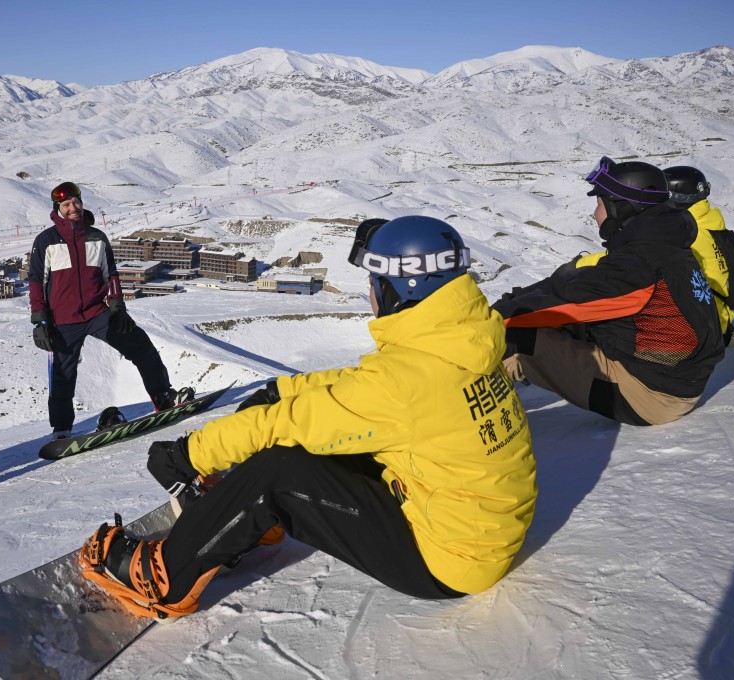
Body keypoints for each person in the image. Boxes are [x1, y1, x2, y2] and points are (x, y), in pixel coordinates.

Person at [77, 216, 538, 619]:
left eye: (375, 283)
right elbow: (362, 386)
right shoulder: (464, 343)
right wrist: (283, 388)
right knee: (324, 439)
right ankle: (245, 519)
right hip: (478, 530)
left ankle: (163, 580)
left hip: (445, 560)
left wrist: (189, 453)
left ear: (401, 287)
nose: (371, 294)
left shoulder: (407, 382)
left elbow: (294, 423)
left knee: (279, 468)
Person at [492, 157, 725, 426]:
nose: (594, 213)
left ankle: (479, 425)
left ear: (621, 207)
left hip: (650, 397)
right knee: (561, 326)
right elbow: (579, 287)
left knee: (509, 340)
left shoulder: (638, 265)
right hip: (675, 378)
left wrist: (490, 318)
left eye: (599, 203)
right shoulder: (663, 245)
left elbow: (563, 301)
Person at [28, 181, 190, 440]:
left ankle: (164, 397)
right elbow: (36, 280)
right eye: (66, 204)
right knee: (62, 374)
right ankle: (61, 429)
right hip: (63, 320)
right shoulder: (46, 241)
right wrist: (40, 320)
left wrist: (117, 305)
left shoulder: (96, 237)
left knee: (140, 345)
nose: (73, 208)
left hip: (97, 313)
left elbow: (110, 274)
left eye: (76, 202)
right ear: (57, 208)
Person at [571, 165, 734, 346]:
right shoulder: (709, 225)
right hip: (717, 321)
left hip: (698, 332)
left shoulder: (684, 234)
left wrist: (581, 264)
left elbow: (640, 260)